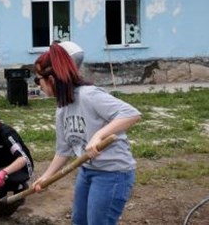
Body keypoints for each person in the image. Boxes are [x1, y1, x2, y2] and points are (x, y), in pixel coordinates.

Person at [31, 42, 141, 225]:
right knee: (79, 221)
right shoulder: (62, 108)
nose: (38, 86)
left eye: (37, 80)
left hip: (112, 173)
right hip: (87, 170)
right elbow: (63, 151)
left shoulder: (89, 95)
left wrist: (98, 136)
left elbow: (131, 114)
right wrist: (46, 177)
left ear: (51, 79)